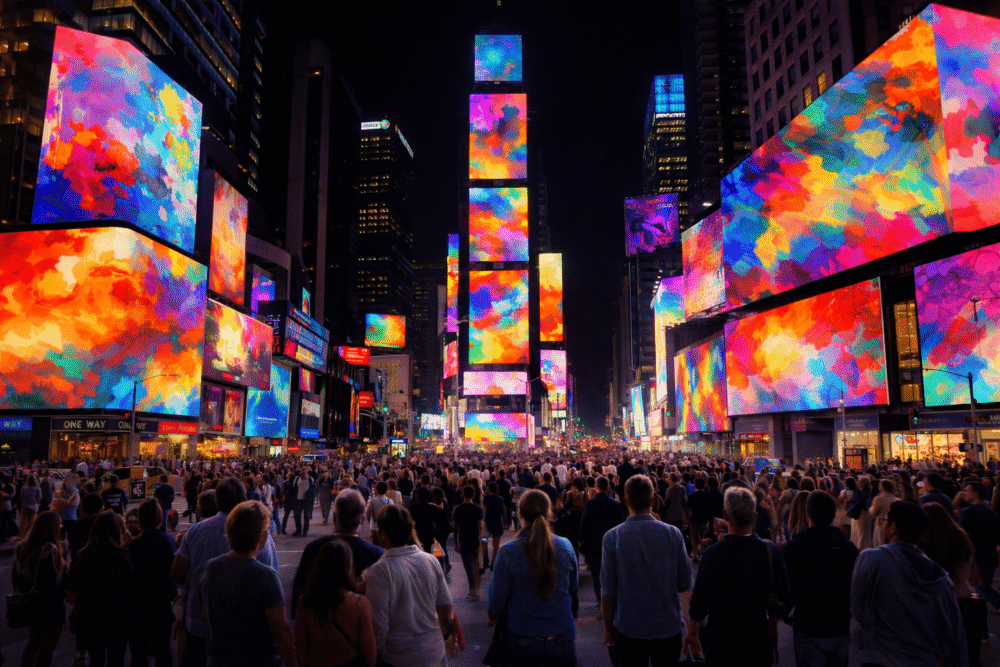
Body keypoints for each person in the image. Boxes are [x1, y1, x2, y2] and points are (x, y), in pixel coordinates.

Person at [172, 477, 278, 667]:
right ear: (243, 499)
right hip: (248, 630)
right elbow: (272, 574)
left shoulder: (195, 531)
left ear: (217, 501)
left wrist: (189, 592)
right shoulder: (260, 533)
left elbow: (178, 572)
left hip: (201, 626)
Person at [850, 500, 966, 667]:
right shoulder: (939, 575)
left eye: (885, 522)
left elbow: (857, 607)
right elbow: (953, 628)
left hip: (882, 654)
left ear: (893, 527)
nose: (883, 526)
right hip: (924, 657)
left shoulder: (871, 559)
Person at [685, 487, 790, 666]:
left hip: (721, 638)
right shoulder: (770, 550)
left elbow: (700, 600)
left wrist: (693, 632)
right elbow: (785, 593)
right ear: (755, 517)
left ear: (725, 515)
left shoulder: (713, 554)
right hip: (758, 637)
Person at [601, 475, 691, 666]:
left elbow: (608, 591)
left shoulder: (612, 537)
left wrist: (608, 627)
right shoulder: (672, 534)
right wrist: (692, 629)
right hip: (667, 625)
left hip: (628, 627)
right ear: (652, 500)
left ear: (625, 502)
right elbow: (685, 583)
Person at [198, 500, 296, 667]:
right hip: (259, 660)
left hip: (218, 661)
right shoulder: (266, 576)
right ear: (262, 535)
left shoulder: (211, 567)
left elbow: (202, 614)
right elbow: (280, 631)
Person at [487, 490, 579, 667]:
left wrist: (492, 615)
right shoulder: (566, 546)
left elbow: (497, 599)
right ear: (549, 512)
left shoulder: (508, 552)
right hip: (561, 631)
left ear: (520, 514)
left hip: (523, 632)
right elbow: (573, 586)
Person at [365, 505, 456, 667]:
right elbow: (446, 610)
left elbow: (379, 626)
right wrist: (443, 637)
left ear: (383, 534)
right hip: (434, 653)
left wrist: (374, 655)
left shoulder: (379, 571)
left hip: (398, 658)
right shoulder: (430, 561)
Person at [783, 491, 859, 667]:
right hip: (840, 625)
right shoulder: (848, 547)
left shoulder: (797, 546)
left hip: (809, 624)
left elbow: (790, 586)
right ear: (833, 515)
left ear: (807, 514)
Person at [291, 490, 384, 620]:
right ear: (363, 520)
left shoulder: (313, 548)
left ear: (334, 517)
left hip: (318, 625)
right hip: (359, 626)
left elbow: (299, 591)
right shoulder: (376, 554)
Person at [295, 540, 377, 667]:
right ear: (348, 567)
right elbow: (371, 656)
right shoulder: (359, 604)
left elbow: (300, 650)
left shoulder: (305, 602)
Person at [69, 511, 134, 667]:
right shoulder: (122, 555)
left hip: (91, 615)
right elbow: (131, 585)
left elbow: (72, 591)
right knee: (116, 659)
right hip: (118, 614)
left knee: (96, 659)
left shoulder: (82, 555)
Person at [922, 502, 983, 667]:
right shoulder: (961, 537)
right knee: (968, 652)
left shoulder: (926, 544)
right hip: (966, 599)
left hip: (938, 604)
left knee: (939, 654)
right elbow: (973, 574)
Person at [128, 498, 178, 667]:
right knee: (163, 649)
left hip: (139, 603)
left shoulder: (136, 545)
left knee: (139, 652)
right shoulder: (168, 540)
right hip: (162, 601)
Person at [14, 511, 67, 667]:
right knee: (47, 648)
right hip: (51, 605)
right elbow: (57, 582)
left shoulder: (22, 548)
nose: (61, 526)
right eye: (59, 524)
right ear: (53, 528)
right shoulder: (51, 550)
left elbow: (17, 579)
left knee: (33, 642)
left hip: (31, 602)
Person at [578, 476, 625, 614]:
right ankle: (612, 601)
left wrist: (580, 538)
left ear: (597, 487)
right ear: (608, 487)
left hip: (594, 544)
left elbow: (584, 523)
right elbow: (621, 523)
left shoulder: (590, 504)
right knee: (612, 573)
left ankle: (601, 602)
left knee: (596, 575)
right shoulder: (615, 504)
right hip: (612, 544)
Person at [959, 481, 1000, 613]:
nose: (964, 492)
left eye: (967, 490)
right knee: (981, 586)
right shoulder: (992, 513)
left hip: (976, 557)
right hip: (990, 556)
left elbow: (963, 535)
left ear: (974, 493)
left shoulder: (968, 512)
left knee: (980, 586)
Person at [453, 484, 485, 600]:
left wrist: (456, 543)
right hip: (475, 540)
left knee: (469, 568)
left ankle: (473, 592)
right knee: (476, 565)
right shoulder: (478, 509)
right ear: (474, 495)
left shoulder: (458, 509)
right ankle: (476, 587)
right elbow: (481, 528)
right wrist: (480, 542)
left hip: (463, 541)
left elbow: (455, 527)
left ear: (462, 494)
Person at [483, 481, 506, 569]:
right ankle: (493, 563)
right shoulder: (500, 498)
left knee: (484, 541)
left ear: (489, 488)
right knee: (495, 545)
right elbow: (503, 510)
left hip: (488, 522)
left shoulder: (486, 498)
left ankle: (485, 561)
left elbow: (484, 510)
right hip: (497, 522)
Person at [869, 479, 896, 547]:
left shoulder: (878, 499)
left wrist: (870, 509)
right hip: (893, 525)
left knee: (879, 545)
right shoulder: (897, 500)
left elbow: (873, 513)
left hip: (880, 524)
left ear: (883, 487)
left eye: (880, 485)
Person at [292, 468, 315, 536]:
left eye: (304, 473)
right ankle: (298, 530)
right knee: (297, 516)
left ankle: (305, 531)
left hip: (306, 500)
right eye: (302, 473)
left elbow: (313, 489)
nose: (303, 475)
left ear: (306, 473)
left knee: (306, 516)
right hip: (298, 499)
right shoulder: (297, 479)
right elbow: (294, 488)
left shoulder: (310, 479)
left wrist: (310, 498)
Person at [19, 474, 41, 539]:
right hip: (33, 506)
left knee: (23, 521)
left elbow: (21, 497)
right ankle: (30, 535)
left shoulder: (24, 488)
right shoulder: (37, 488)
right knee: (32, 522)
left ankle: (21, 535)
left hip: (25, 505)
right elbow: (39, 498)